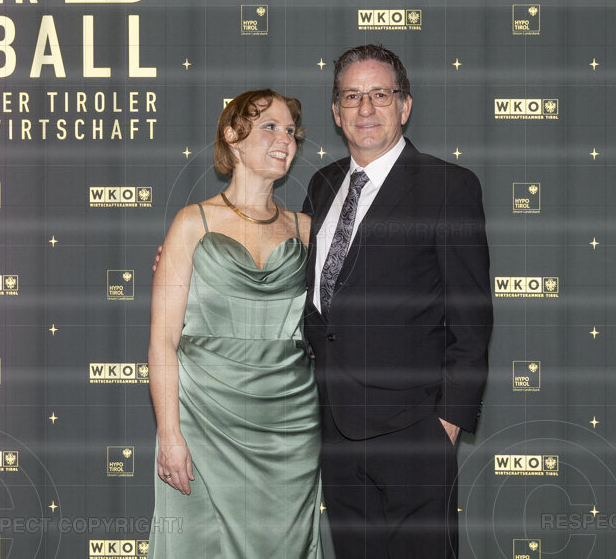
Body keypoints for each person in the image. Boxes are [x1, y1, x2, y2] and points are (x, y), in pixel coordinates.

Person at [301, 45, 493, 558]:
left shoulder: (448, 186)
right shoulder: (322, 185)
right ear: (336, 112)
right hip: (336, 431)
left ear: (404, 106)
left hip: (414, 431)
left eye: (380, 94)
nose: (365, 108)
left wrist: (445, 425)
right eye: (352, 96)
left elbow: (472, 318)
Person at [147, 89, 323, 558]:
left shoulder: (309, 229)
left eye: (291, 131)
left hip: (290, 426)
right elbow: (163, 341)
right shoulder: (192, 224)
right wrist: (169, 434)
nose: (285, 140)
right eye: (270, 127)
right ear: (232, 136)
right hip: (204, 420)